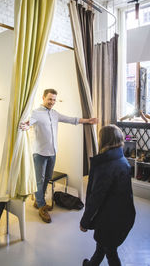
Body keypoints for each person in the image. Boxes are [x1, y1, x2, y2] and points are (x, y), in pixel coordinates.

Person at [20, 88, 98, 223]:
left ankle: (39, 201)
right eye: (50, 99)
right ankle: (42, 206)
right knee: (40, 180)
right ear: (43, 98)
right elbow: (28, 123)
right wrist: (26, 126)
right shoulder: (35, 113)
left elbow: (70, 119)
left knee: (47, 178)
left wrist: (87, 121)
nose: (52, 102)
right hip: (39, 153)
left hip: (53, 152)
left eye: (54, 100)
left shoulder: (55, 114)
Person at [80, 125, 136, 266]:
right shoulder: (121, 160)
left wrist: (85, 222)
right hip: (123, 215)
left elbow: (95, 198)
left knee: (110, 252)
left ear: (103, 140)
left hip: (110, 220)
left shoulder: (106, 166)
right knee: (102, 247)